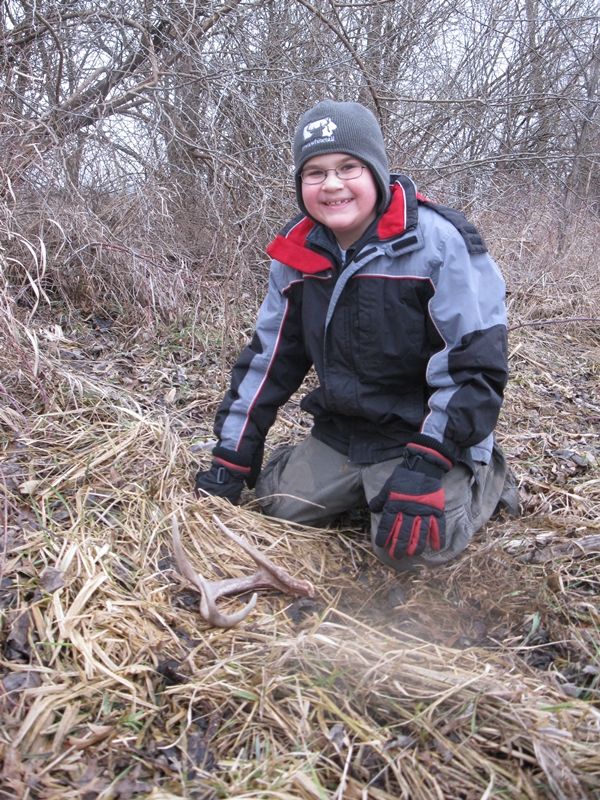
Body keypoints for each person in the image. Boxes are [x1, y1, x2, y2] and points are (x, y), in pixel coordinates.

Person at [195, 99, 518, 570]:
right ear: (300, 183)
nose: (332, 185)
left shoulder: (441, 243)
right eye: (315, 172)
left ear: (376, 173)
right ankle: (357, 482)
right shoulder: (296, 252)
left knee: (410, 550)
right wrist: (233, 453)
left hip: (425, 432)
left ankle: (483, 475)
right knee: (277, 508)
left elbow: (477, 370)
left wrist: (428, 462)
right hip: (345, 431)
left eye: (348, 167)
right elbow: (269, 359)